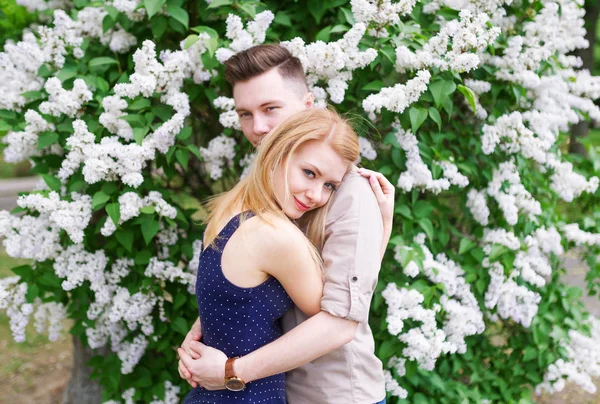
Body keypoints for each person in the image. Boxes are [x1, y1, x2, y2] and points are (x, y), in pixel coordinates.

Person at [178, 45, 394, 404]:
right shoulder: (264, 184)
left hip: (330, 393)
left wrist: (230, 370)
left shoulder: (351, 196)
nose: (258, 127)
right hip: (273, 386)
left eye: (270, 109)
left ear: (307, 106)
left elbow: (342, 316)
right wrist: (205, 332)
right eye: (245, 114)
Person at [180, 107, 360, 403]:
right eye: (309, 173)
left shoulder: (231, 206)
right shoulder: (275, 235)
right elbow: (340, 313)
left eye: (329, 185)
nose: (316, 195)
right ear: (278, 153)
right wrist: (381, 229)